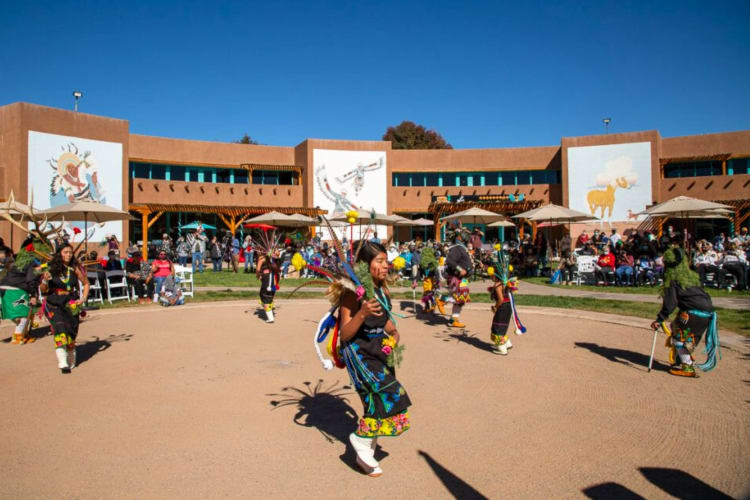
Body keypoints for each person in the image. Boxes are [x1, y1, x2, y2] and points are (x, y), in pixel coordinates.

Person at [337, 242, 410, 477]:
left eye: (385, 260)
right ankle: (360, 439)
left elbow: (388, 325)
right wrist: (362, 313)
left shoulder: (383, 291)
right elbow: (345, 334)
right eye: (379, 261)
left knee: (376, 403)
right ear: (364, 265)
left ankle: (364, 454)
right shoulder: (352, 293)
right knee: (387, 394)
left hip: (379, 351)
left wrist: (394, 338)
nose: (385, 265)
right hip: (359, 352)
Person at [651, 236, 719, 378]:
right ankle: (682, 358)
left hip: (693, 313)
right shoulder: (691, 276)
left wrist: (660, 318)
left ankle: (687, 366)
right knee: (679, 328)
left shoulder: (673, 280)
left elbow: (670, 303)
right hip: (707, 312)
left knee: (679, 337)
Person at [40, 244, 89, 374]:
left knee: (71, 333)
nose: (68, 255)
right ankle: (62, 362)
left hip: (71, 303)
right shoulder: (50, 268)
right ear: (59, 253)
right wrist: (45, 281)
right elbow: (43, 290)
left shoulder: (75, 268)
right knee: (60, 329)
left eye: (70, 252)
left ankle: (71, 352)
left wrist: (82, 299)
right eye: (65, 252)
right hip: (54, 303)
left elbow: (86, 283)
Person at [0, 244, 42, 345]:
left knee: (19, 314)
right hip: (16, 290)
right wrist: (33, 294)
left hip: (5, 289)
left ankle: (23, 334)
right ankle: (17, 337)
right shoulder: (31, 262)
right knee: (24, 313)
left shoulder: (18, 260)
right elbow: (31, 279)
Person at [441, 226, 473, 328]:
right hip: (455, 277)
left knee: (461, 300)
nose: (468, 237)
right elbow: (449, 261)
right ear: (460, 237)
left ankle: (453, 320)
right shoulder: (457, 248)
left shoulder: (461, 248)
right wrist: (460, 269)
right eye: (465, 235)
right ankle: (441, 299)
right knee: (459, 298)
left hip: (462, 278)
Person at [256, 251, 280, 323]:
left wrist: (258, 275)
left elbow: (258, 269)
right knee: (269, 296)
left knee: (265, 297)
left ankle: (270, 318)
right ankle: (268, 305)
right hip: (274, 281)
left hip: (267, 282)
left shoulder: (262, 258)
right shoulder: (275, 257)